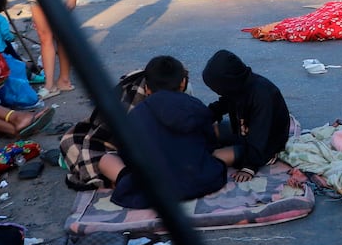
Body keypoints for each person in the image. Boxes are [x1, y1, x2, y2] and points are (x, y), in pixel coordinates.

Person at [96, 56, 228, 207]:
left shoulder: (135, 114)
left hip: (151, 190)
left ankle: (128, 182)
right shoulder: (195, 106)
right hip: (197, 182)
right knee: (213, 155)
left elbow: (127, 155)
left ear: (147, 88)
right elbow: (209, 143)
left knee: (106, 160)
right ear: (183, 83)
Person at [202, 49, 292, 183]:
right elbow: (223, 104)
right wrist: (202, 116)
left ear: (227, 83)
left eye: (216, 88)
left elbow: (260, 135)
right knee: (207, 130)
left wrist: (249, 166)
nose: (215, 91)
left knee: (214, 158)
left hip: (264, 145)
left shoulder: (262, 96)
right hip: (242, 131)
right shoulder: (237, 86)